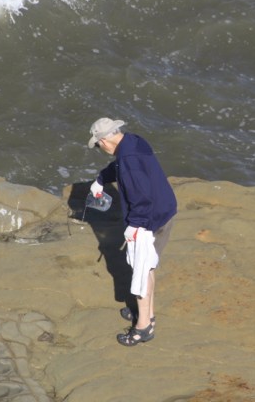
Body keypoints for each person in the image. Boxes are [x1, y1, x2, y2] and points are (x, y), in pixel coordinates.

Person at [87, 117, 177, 346]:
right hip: (165, 210)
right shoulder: (132, 142)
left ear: (105, 140)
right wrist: (101, 179)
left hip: (148, 220)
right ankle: (149, 312)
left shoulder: (129, 161)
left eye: (98, 145)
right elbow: (121, 165)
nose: (100, 149)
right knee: (148, 267)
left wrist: (136, 226)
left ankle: (143, 327)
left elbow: (142, 197)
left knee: (141, 272)